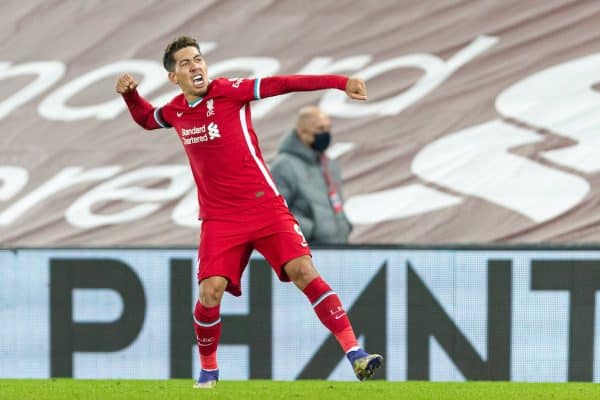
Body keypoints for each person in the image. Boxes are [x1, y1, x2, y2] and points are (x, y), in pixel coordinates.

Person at [115, 36, 382, 389]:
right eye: (185, 63)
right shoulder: (176, 111)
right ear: (173, 77)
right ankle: (208, 372)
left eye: (198, 59)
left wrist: (341, 82)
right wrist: (130, 95)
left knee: (304, 271)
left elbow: (284, 83)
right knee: (210, 292)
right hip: (220, 219)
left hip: (264, 207)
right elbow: (148, 119)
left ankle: (355, 354)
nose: (195, 66)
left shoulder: (230, 91)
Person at [270, 106, 352, 244]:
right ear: (302, 132)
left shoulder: (329, 164)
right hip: (305, 251)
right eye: (320, 129)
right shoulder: (284, 166)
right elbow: (274, 213)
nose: (326, 133)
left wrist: (344, 226)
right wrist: (312, 231)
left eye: (328, 128)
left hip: (338, 248)